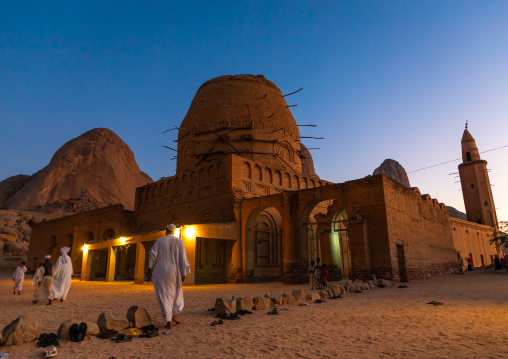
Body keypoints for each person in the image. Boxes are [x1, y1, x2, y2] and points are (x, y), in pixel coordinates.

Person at [148, 224, 191, 329]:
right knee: (175, 292)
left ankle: (170, 320)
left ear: (165, 231)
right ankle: (172, 316)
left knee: (164, 295)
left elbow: (152, 255)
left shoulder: (160, 240)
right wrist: (184, 272)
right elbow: (183, 258)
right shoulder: (179, 241)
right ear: (174, 231)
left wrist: (149, 269)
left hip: (160, 271)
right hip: (174, 272)